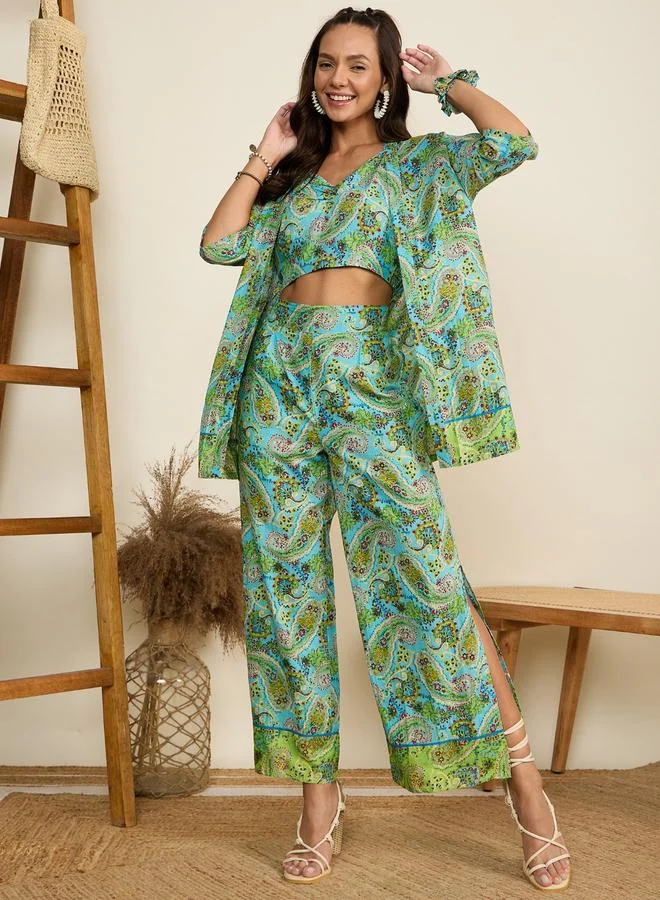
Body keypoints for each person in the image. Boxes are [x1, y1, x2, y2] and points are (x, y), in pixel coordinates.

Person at [199, 5, 571, 892]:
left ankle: (526, 789)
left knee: (428, 583)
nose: (337, 79)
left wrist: (450, 84)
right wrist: (263, 154)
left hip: (374, 391)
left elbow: (514, 143)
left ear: (384, 78)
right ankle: (318, 806)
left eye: (358, 65)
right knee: (286, 595)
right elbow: (219, 245)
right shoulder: (292, 180)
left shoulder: (418, 166)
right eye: (326, 63)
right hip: (276, 390)